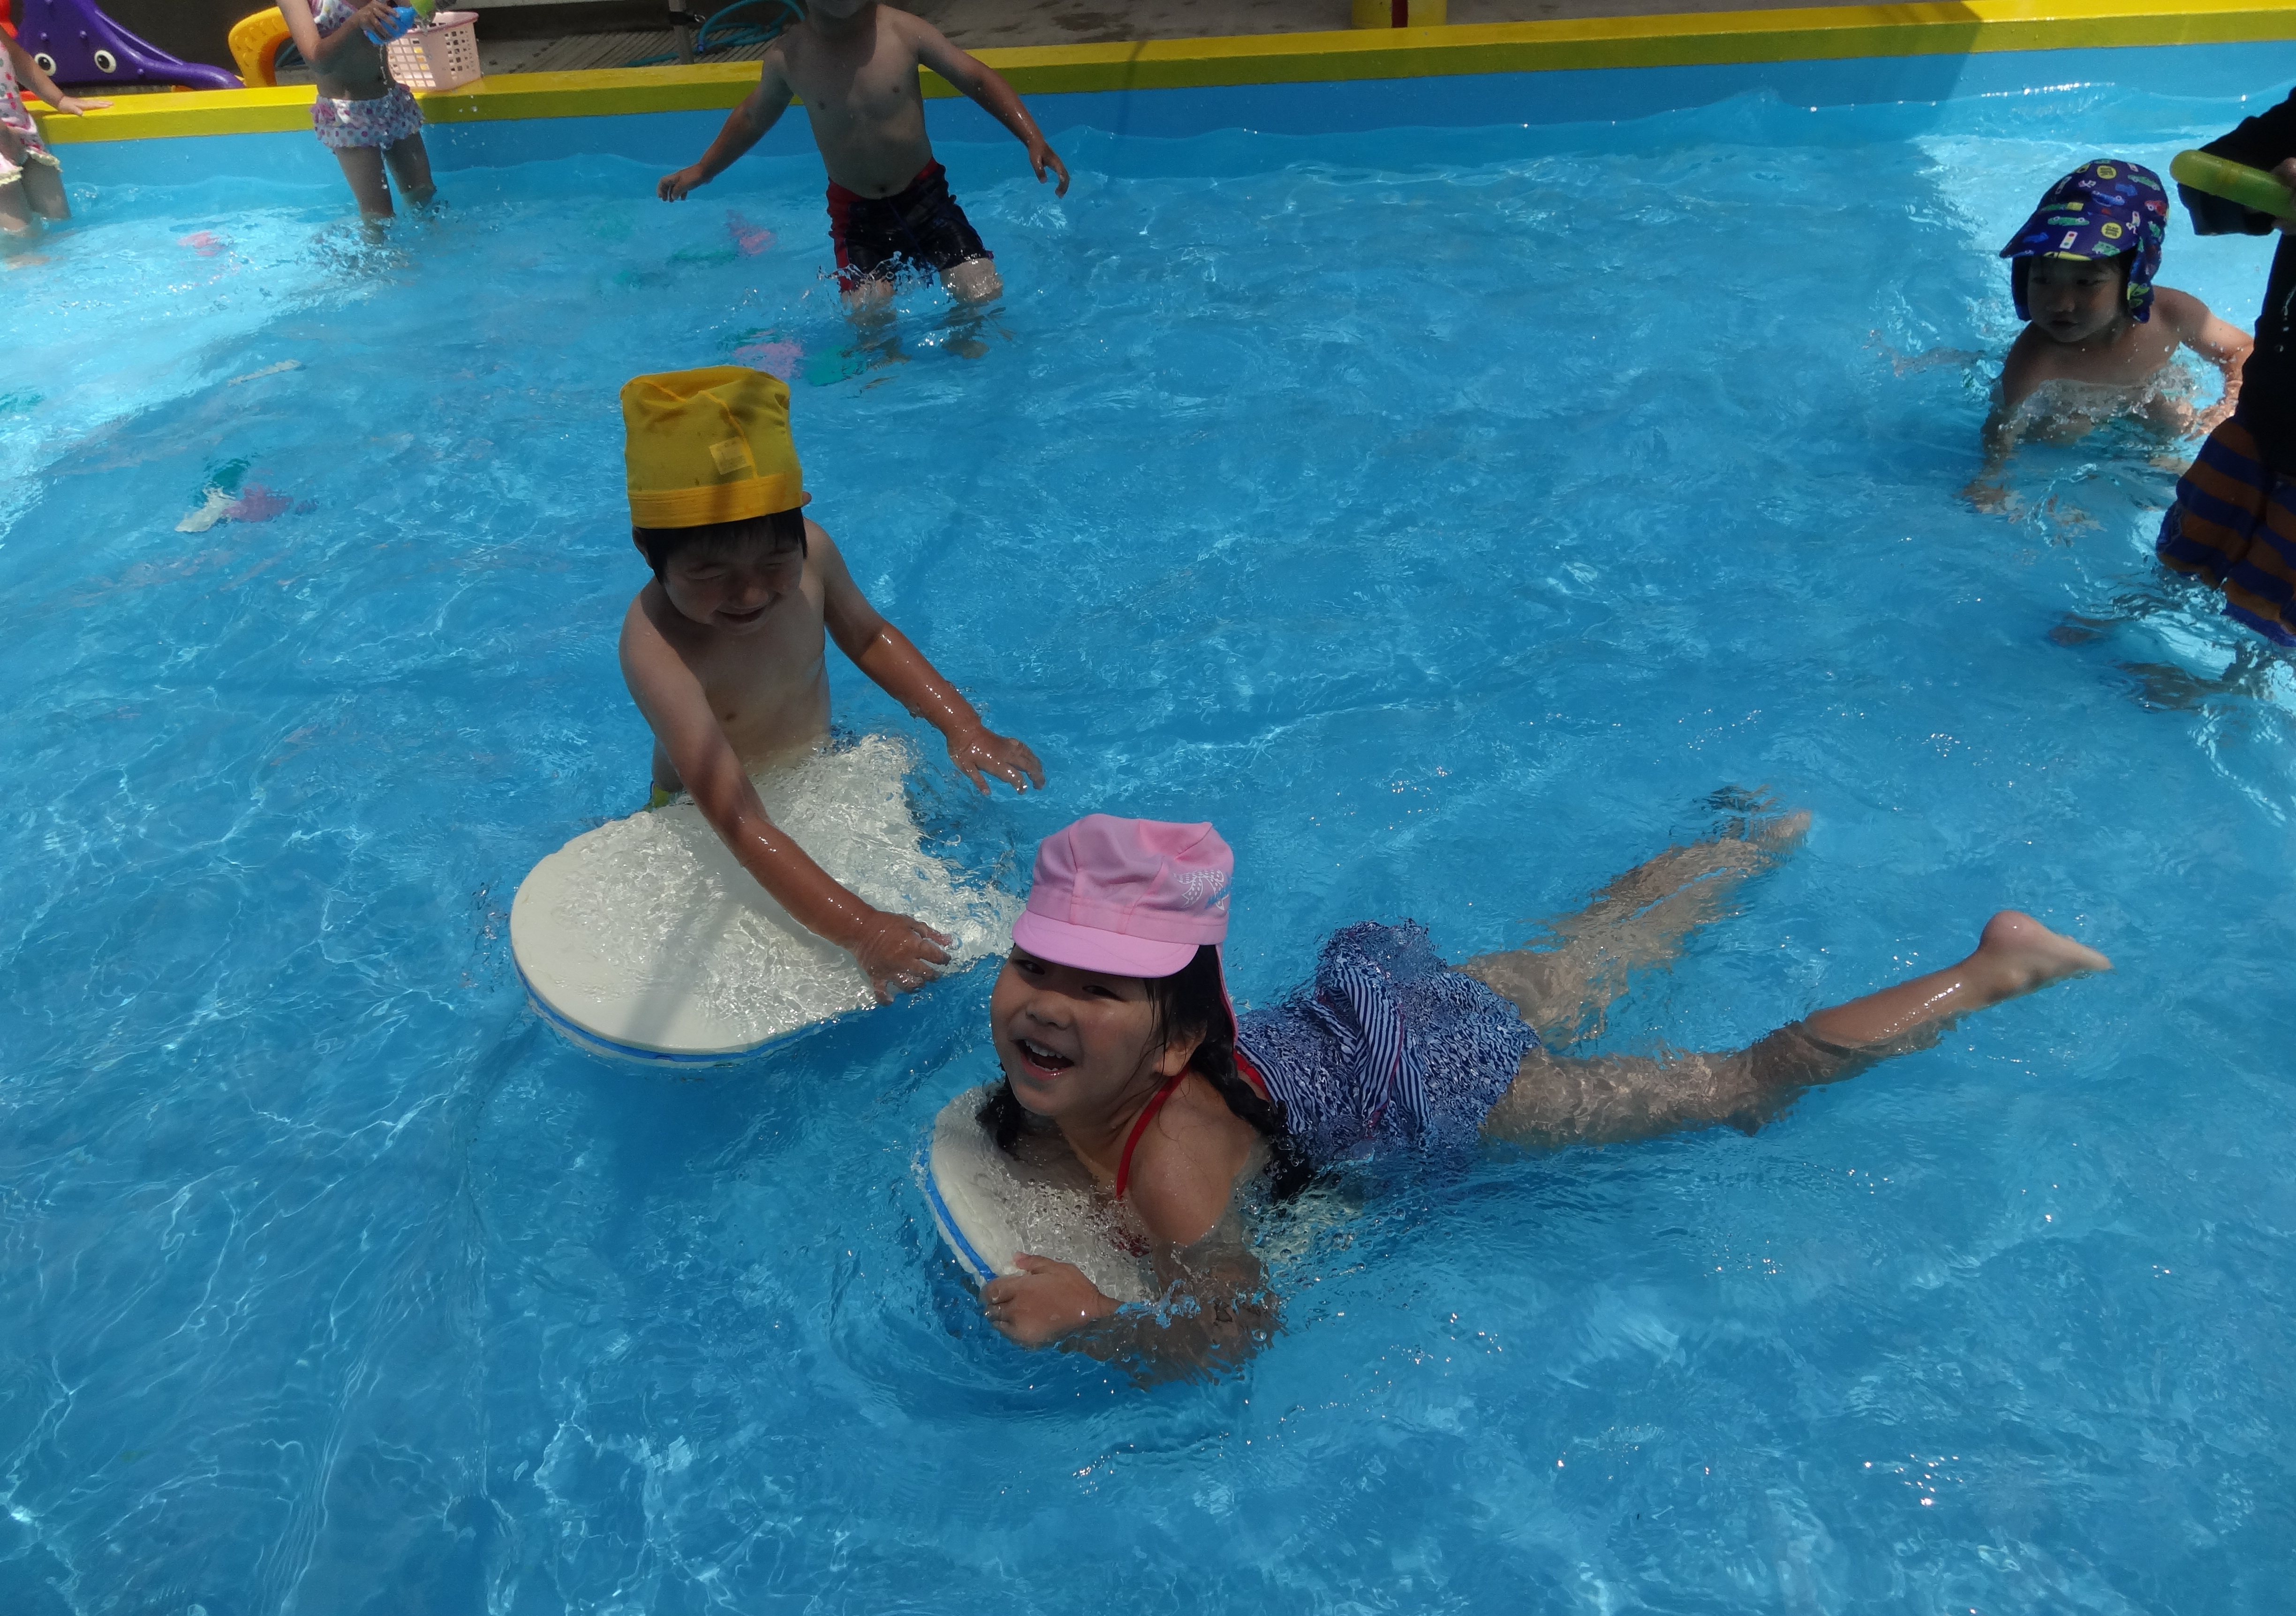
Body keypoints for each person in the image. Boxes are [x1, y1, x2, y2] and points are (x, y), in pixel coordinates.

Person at [974, 812, 2109, 1365]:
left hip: (1454, 1081)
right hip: (1384, 1007)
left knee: (1738, 1087)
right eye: (1032, 969)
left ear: (1177, 1046)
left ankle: (1985, 971)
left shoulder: (1172, 1167)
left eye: (1094, 990)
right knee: (1586, 950)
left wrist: (1099, 1324)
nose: (1045, 1007)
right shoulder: (1081, 1080)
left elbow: (1237, 1328)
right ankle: (1747, 841)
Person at [618, 364, 1044, 1000]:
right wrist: (862, 931)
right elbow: (738, 818)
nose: (751, 594)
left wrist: (963, 725)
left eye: (774, 561)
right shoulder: (655, 647)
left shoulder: (814, 552)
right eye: (710, 573)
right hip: (706, 813)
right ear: (647, 550)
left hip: (816, 764)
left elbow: (869, 637)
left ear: (799, 523)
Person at [655, 0, 1067, 307]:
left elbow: (975, 77)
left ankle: (964, 369)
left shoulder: (902, 31)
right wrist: (705, 169)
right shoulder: (790, 57)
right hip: (857, 217)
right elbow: (752, 117)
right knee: (868, 317)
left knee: (981, 291)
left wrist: (1031, 137)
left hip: (926, 199)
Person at [1971, 159, 2250, 504]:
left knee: (2175, 416)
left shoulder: (2171, 313)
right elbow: (2004, 428)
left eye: (2086, 283)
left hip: (2146, 402)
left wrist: (2229, 404)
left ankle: (2153, 456)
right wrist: (1993, 478)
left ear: (2134, 277)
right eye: (2042, 280)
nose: (2060, 303)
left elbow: (2241, 349)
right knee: (2060, 433)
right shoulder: (2037, 358)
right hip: (2078, 428)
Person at [2157, 98, 2296, 647]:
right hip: (2264, 412)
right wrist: (2272, 195)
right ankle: (2142, 615)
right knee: (2191, 547)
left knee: (2277, 608)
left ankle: (2242, 684)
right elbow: (2205, 180)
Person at [275, 0, 435, 220]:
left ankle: (435, 241)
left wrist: (427, 6)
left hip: (393, 103)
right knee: (378, 215)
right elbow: (318, 61)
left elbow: (419, 13)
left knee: (424, 196)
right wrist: (356, 23)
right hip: (349, 117)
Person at [0, 28, 109, 235]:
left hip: (22, 133)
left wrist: (59, 99)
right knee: (20, 235)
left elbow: (17, 57)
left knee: (59, 221)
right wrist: (4, 137)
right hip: (4, 138)